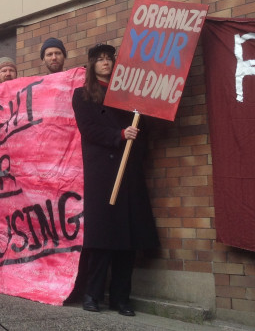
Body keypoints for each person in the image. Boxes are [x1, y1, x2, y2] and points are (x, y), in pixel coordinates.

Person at [71, 43, 158, 316]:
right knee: (102, 237)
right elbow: (88, 129)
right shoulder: (82, 95)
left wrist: (137, 132)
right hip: (102, 173)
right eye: (100, 59)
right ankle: (93, 294)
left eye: (109, 58)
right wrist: (119, 135)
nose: (105, 63)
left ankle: (121, 299)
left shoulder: (129, 95)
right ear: (92, 65)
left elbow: (142, 129)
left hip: (128, 170)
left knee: (126, 238)